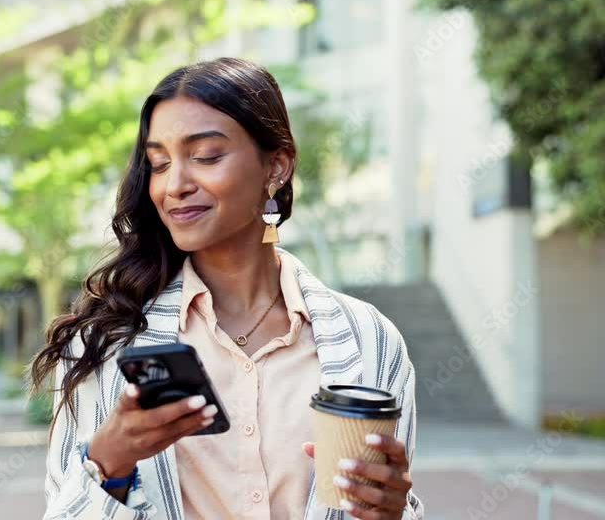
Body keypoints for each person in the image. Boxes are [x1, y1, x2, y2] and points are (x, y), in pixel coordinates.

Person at [30, 57, 424, 520]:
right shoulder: (106, 341)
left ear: (276, 166)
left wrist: (395, 511)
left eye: (206, 157)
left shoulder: (370, 340)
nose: (174, 185)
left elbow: (384, 505)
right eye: (158, 164)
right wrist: (107, 463)